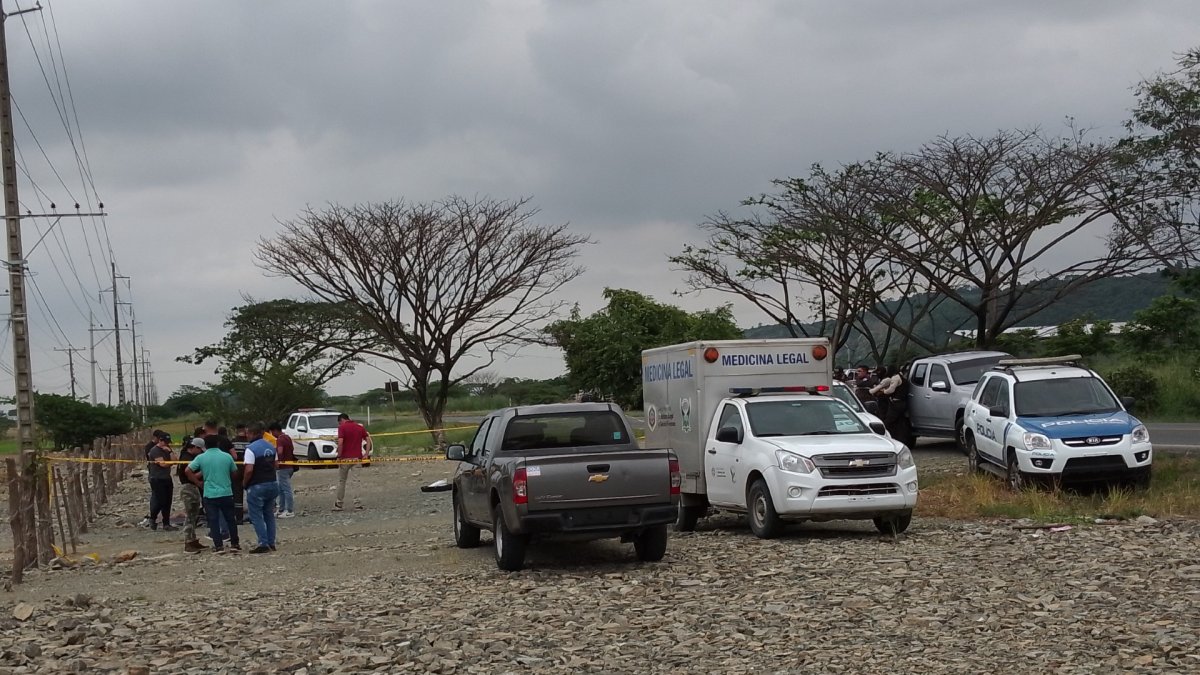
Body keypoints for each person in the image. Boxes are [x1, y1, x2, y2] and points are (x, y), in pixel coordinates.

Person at [185, 434, 241, 553]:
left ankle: (218, 545)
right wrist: (228, 478)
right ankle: (235, 544)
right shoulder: (226, 456)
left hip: (210, 493)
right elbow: (235, 472)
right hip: (226, 492)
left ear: (205, 445)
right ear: (218, 444)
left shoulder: (201, 458)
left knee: (213, 521)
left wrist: (198, 482)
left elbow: (188, 470)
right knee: (230, 519)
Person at [242, 422, 280, 554]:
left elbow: (248, 470)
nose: (246, 435)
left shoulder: (251, 449)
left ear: (252, 433)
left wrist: (244, 483)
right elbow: (276, 465)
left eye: (247, 433)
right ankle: (271, 542)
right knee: (269, 514)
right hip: (272, 483)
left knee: (256, 515)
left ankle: (263, 543)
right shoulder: (271, 446)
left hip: (257, 485)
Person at [334, 413, 369, 511]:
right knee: (356, 482)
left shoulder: (342, 428)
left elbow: (340, 442)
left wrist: (339, 455)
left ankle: (339, 504)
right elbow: (367, 439)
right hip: (357, 458)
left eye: (339, 422)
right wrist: (366, 453)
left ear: (341, 420)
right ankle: (357, 504)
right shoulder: (359, 427)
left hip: (345, 458)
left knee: (342, 481)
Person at [178, 436, 206, 553]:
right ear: (194, 447)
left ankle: (193, 539)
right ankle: (188, 542)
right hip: (188, 487)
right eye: (199, 449)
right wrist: (205, 471)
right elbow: (190, 474)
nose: (200, 452)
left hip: (191, 487)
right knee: (190, 515)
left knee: (194, 514)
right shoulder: (187, 458)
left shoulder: (187, 456)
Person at [147, 433, 176, 531]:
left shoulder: (167, 449)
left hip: (166, 478)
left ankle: (166, 523)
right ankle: (152, 518)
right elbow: (163, 464)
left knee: (168, 501)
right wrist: (171, 463)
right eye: (165, 442)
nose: (166, 444)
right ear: (160, 440)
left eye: (168, 443)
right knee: (161, 500)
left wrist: (170, 452)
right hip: (157, 479)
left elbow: (175, 460)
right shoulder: (154, 450)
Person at [270, 421, 297, 518]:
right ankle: (281, 509)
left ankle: (289, 510)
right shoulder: (287, 437)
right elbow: (292, 448)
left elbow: (280, 452)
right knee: (281, 489)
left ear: (275, 431)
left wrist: (277, 462)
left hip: (283, 467)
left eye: (272, 432)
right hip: (290, 466)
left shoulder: (280, 440)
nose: (272, 435)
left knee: (286, 489)